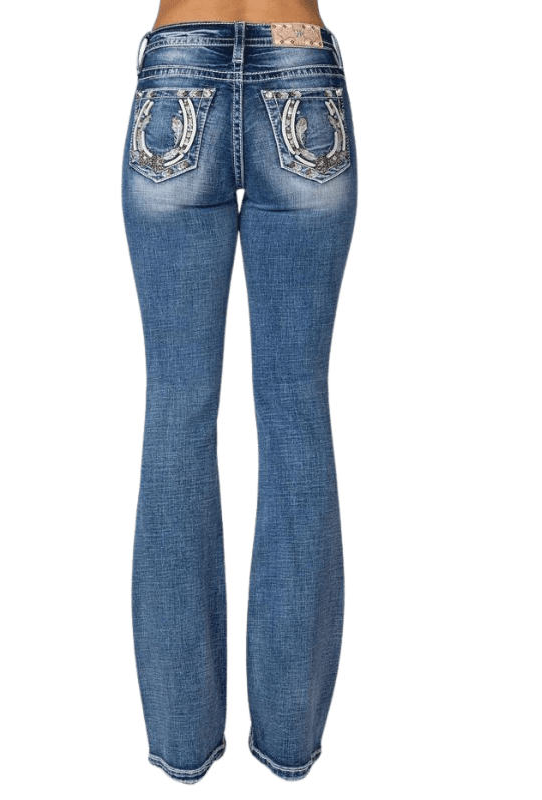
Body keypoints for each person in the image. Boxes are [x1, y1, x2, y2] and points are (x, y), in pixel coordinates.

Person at [120, 0, 358, 785]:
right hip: (300, 61)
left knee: (175, 407)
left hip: (176, 71)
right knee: (298, 406)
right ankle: (289, 741)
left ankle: (183, 741)